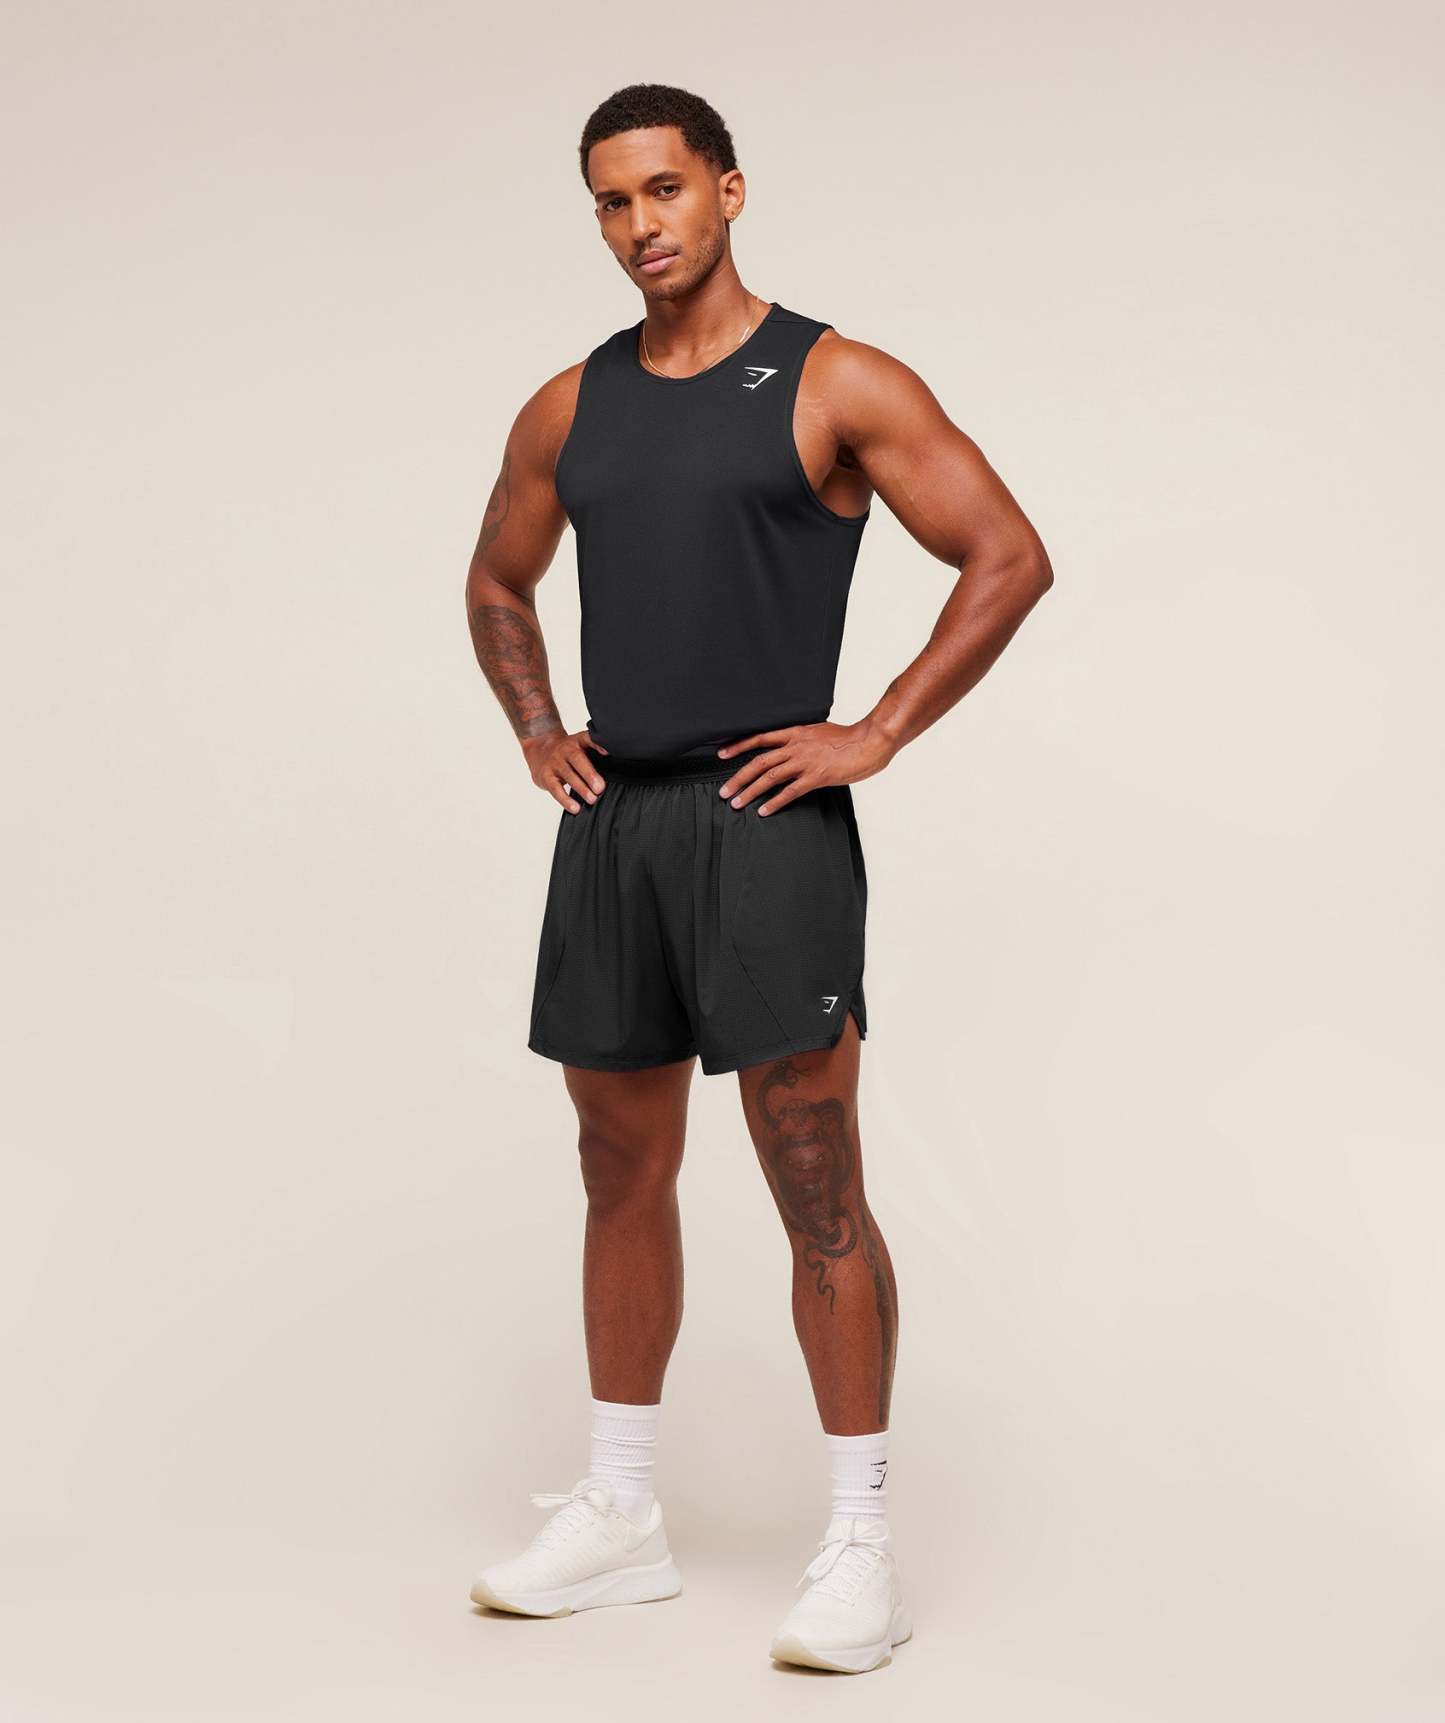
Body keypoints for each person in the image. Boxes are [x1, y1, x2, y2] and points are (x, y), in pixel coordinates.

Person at [463, 82, 1052, 1674]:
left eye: (663, 189)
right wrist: (537, 728)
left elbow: (1006, 554)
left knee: (812, 1174)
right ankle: (619, 1513)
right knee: (615, 1161)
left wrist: (878, 728)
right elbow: (498, 577)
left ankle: (860, 1543)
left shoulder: (835, 378)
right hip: (617, 823)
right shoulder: (569, 405)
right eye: (610, 201)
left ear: (727, 190)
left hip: (764, 817)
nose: (638, 224)